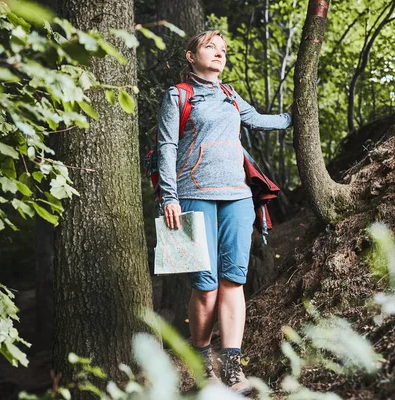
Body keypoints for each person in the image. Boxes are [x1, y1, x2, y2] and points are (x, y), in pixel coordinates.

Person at [156, 30, 291, 395]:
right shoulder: (178, 95)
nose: (219, 53)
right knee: (206, 287)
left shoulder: (231, 95)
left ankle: (232, 368)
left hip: (237, 197)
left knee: (233, 281)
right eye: (210, 47)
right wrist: (169, 197)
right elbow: (167, 146)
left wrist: (294, 115)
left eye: (223, 49)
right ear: (191, 56)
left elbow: (261, 120)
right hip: (192, 195)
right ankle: (203, 364)